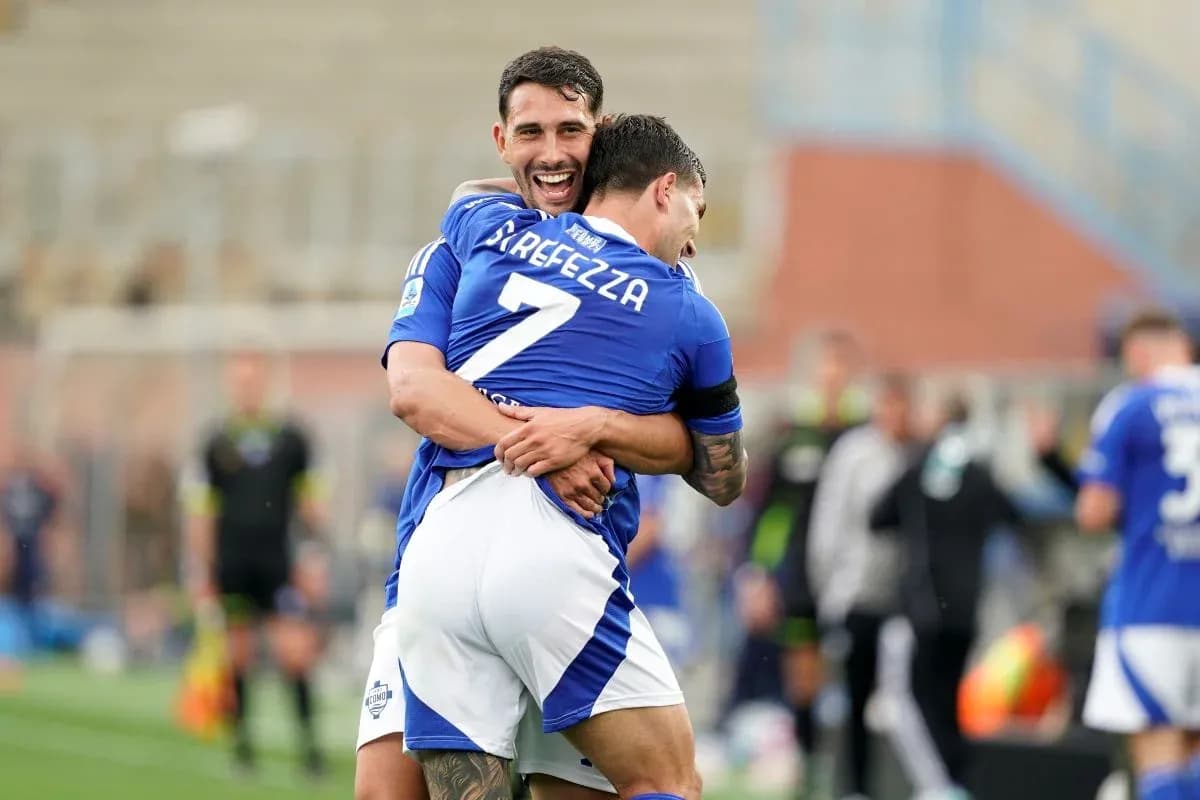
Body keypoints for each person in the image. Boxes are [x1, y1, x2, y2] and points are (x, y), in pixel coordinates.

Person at [355, 48, 713, 800]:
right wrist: (547, 448)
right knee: (388, 791)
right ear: (501, 141)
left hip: (570, 553)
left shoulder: (663, 276)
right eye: (530, 134)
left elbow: (694, 447)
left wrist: (594, 427)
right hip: (446, 545)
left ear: (602, 132)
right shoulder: (462, 244)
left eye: (571, 131)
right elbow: (417, 389)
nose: (551, 155)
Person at [726, 330, 867, 792]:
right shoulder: (791, 434)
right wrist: (757, 575)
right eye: (824, 368)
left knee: (860, 683)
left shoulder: (865, 433)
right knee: (805, 685)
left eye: (839, 368)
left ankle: (857, 782)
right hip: (804, 581)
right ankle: (810, 778)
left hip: (858, 580)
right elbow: (767, 514)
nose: (832, 377)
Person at [1075, 309, 1200, 800]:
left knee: (1159, 752)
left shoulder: (1131, 404)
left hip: (1152, 606)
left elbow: (1095, 510)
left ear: (1137, 353)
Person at [184, 349, 328, 776]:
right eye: (238, 381)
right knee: (238, 655)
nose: (245, 388)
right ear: (230, 386)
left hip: (280, 564)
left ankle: (310, 750)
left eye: (252, 380)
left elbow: (312, 506)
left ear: (265, 383)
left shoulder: (292, 439)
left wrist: (313, 560)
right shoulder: (215, 442)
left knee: (295, 653)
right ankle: (243, 748)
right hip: (232, 565)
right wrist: (203, 572)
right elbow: (202, 514)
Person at [868, 396, 1021, 797]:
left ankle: (939, 785)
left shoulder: (918, 468)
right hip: (965, 609)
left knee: (918, 702)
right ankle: (958, 780)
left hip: (924, 607)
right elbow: (1010, 513)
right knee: (950, 702)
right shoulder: (979, 472)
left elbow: (878, 516)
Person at [806, 374, 913, 800]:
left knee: (897, 702)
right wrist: (829, 590)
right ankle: (853, 787)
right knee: (852, 695)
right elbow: (829, 526)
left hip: (899, 599)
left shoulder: (910, 455)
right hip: (855, 596)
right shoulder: (855, 454)